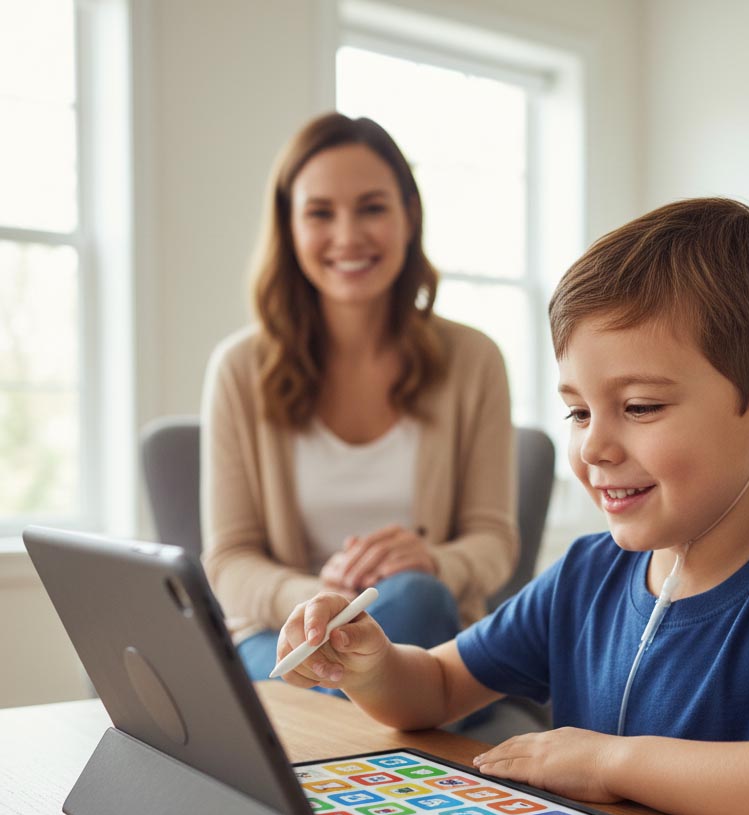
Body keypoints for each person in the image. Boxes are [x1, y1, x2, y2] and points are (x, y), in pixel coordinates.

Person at [272, 197, 749, 815]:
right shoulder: (585, 575)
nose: (593, 448)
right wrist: (374, 665)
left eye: (640, 406)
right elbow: (438, 689)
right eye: (579, 413)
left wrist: (613, 763)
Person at [201, 113, 518, 684]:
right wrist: (320, 602)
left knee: (416, 598)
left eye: (371, 208)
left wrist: (433, 561)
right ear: (289, 226)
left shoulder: (475, 361)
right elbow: (228, 560)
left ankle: (316, 752)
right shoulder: (238, 369)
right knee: (330, 657)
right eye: (320, 213)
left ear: (408, 217)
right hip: (281, 636)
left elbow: (494, 540)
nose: (347, 236)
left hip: (427, 625)